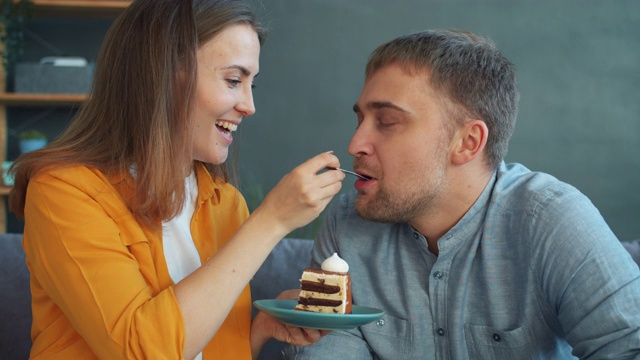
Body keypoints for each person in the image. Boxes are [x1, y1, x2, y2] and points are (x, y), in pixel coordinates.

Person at [8, 0, 344, 359]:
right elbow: (141, 350)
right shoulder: (63, 191)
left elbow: (198, 345)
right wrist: (271, 221)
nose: (249, 105)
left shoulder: (225, 202)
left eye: (251, 85)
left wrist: (258, 329)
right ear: (165, 76)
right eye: (233, 80)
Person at [286, 29, 640, 359]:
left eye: (387, 122)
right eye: (359, 120)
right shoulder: (347, 227)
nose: (355, 144)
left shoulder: (551, 220)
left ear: (467, 143)